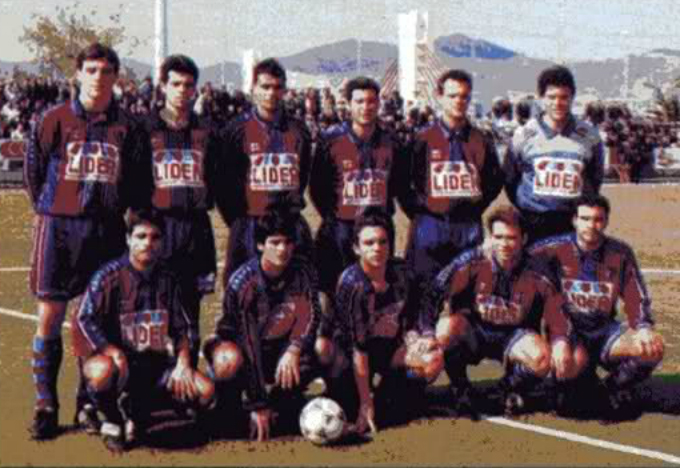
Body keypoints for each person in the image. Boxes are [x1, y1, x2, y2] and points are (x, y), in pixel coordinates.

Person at [24, 43, 149, 440]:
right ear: (77, 74)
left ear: (116, 77)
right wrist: (54, 207)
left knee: (93, 319)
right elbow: (33, 173)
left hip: (106, 230)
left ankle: (88, 402)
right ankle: (46, 404)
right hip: (59, 229)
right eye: (91, 70)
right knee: (50, 315)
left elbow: (135, 181)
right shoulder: (53, 119)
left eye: (106, 71)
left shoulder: (128, 126)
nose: (99, 78)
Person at [71, 209, 214, 452]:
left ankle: (140, 410)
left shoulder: (169, 278)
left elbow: (183, 328)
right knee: (100, 372)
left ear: (162, 241)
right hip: (119, 367)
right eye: (141, 236)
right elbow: (84, 318)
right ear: (128, 239)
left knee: (206, 391)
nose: (148, 243)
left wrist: (183, 363)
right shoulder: (108, 277)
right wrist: (111, 351)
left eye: (155, 237)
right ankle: (112, 417)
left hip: (155, 366)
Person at [419, 205, 572, 417]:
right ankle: (460, 387)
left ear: (524, 239)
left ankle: (507, 388)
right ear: (490, 237)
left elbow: (557, 314)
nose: (504, 244)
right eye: (498, 237)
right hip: (475, 330)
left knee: (542, 359)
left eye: (511, 238)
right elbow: (434, 293)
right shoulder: (471, 262)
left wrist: (560, 341)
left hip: (514, 334)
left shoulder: (539, 271)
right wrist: (427, 332)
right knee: (444, 330)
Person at [529, 194, 664, 419]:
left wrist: (643, 326)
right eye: (585, 218)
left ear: (606, 221)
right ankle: (566, 383)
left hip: (603, 330)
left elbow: (635, 294)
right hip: (568, 333)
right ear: (574, 220)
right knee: (568, 395)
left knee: (652, 348)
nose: (591, 225)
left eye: (598, 219)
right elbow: (514, 258)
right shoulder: (551, 250)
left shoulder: (619, 252)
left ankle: (611, 388)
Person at [203, 212, 329, 442]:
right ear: (261, 245)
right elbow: (248, 342)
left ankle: (284, 400)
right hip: (242, 350)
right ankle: (227, 406)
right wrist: (258, 403)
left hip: (279, 347)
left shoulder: (304, 272)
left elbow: (311, 317)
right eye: (275, 242)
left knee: (321, 350)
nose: (283, 249)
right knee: (228, 361)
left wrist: (294, 349)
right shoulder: (243, 283)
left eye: (288, 242)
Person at [323, 209, 443, 434]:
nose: (376, 248)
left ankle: (394, 394)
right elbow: (359, 349)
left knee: (432, 358)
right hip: (351, 355)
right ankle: (349, 394)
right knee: (348, 406)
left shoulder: (403, 273)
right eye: (369, 243)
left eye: (382, 242)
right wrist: (365, 402)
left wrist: (420, 333)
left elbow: (422, 305)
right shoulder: (352, 284)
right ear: (356, 248)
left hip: (388, 349)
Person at [402, 69, 503, 314]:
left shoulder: (481, 139)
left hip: (467, 228)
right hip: (430, 226)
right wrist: (422, 209)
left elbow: (495, 180)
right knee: (422, 295)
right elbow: (403, 183)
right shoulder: (422, 139)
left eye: (464, 96)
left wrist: (476, 205)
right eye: (452, 96)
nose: (459, 101)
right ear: (439, 97)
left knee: (465, 298)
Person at [141, 54, 219, 364]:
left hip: (195, 229)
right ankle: (153, 381)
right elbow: (134, 181)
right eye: (175, 84)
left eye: (188, 85)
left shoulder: (208, 131)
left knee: (190, 310)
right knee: (152, 308)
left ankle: (187, 375)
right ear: (163, 86)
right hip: (158, 227)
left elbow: (219, 178)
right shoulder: (145, 128)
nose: (182, 91)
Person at [309, 76, 409, 309]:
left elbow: (399, 184)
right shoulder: (330, 139)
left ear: (379, 103)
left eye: (371, 101)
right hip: (340, 229)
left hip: (378, 228)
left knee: (376, 295)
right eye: (359, 101)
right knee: (335, 294)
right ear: (348, 104)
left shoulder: (392, 141)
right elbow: (317, 187)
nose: (366, 107)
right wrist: (335, 215)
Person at [217, 58, 313, 286]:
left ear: (285, 90)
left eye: (277, 87)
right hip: (249, 225)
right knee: (244, 290)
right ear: (253, 89)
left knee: (295, 291)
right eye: (265, 86)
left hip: (290, 224)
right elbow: (224, 185)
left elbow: (303, 177)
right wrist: (240, 221)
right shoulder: (235, 129)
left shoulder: (299, 130)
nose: (271, 93)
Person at [504, 65, 604, 245]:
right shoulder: (523, 135)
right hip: (532, 221)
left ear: (572, 97)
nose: (557, 103)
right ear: (541, 98)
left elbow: (594, 178)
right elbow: (510, 179)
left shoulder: (590, 136)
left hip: (572, 221)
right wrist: (526, 207)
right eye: (551, 97)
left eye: (564, 97)